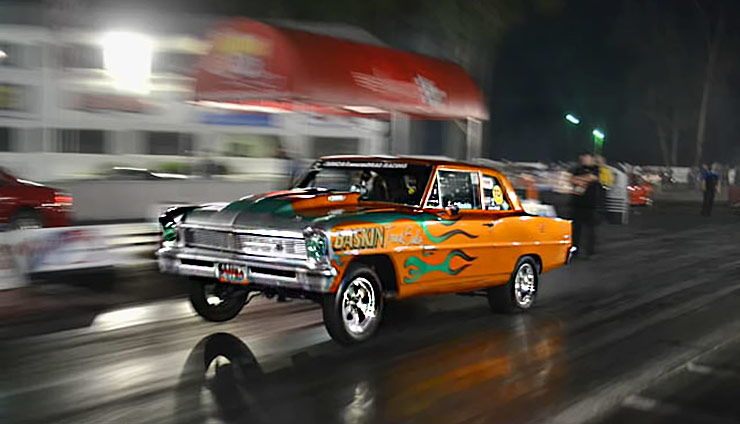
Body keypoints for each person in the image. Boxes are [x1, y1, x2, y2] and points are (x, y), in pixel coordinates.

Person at [570, 152, 601, 258]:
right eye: (583, 158)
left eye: (586, 158)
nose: (584, 160)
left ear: (591, 159)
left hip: (590, 204)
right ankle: (574, 251)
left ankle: (590, 252)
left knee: (590, 230)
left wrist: (579, 179)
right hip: (577, 203)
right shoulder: (577, 169)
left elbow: (592, 178)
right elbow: (571, 180)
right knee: (575, 230)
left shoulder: (596, 169)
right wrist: (584, 178)